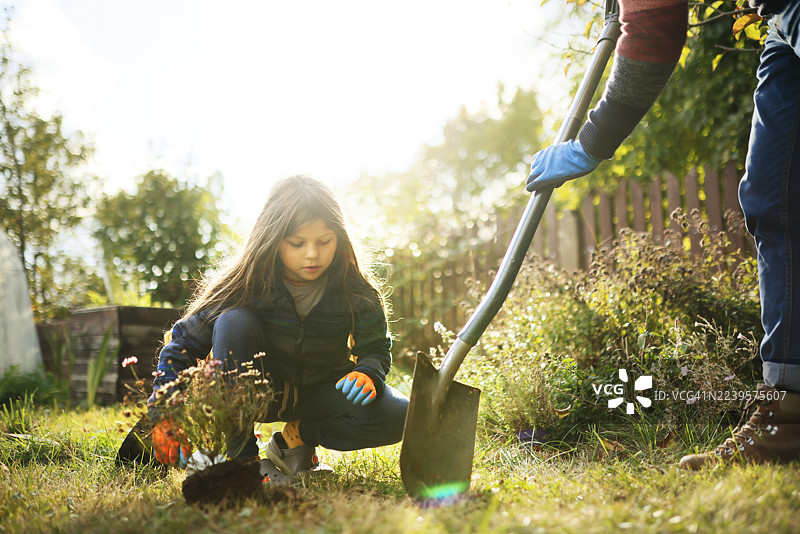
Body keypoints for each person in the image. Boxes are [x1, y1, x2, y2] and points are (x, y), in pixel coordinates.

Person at [525, 0, 800, 468]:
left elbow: (652, 26)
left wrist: (590, 144)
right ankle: (789, 418)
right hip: (781, 19)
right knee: (774, 200)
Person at [148, 174, 408, 477]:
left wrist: (367, 372)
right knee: (233, 319)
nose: (312, 254)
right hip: (258, 397)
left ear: (340, 237)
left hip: (320, 395)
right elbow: (181, 344)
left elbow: (375, 347)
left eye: (324, 241)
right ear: (272, 239)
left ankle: (295, 439)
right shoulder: (245, 284)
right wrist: (165, 415)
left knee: (402, 415)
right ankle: (243, 464)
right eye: (297, 243)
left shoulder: (355, 291)